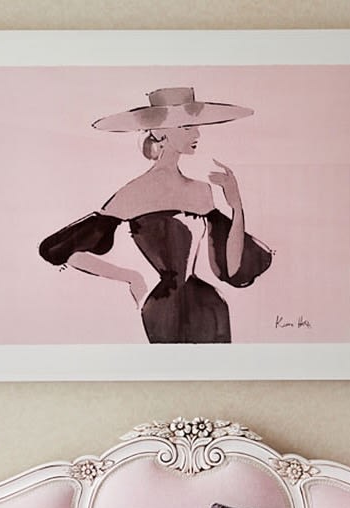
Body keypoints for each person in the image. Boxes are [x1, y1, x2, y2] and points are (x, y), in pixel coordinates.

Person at [39, 87, 273, 344]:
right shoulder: (132, 193)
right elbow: (58, 249)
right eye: (186, 127)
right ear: (161, 132)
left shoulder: (201, 191)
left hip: (211, 306)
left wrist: (236, 206)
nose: (196, 134)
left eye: (196, 126)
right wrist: (131, 277)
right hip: (162, 309)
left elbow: (232, 267)